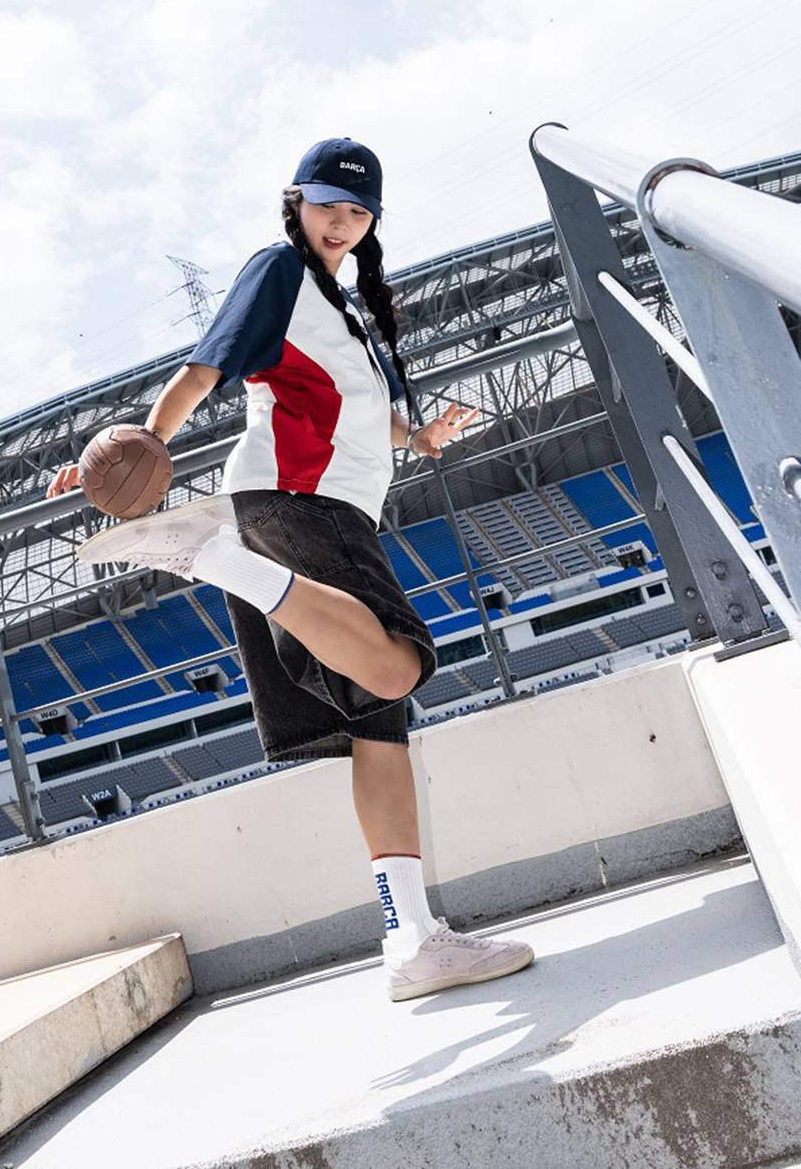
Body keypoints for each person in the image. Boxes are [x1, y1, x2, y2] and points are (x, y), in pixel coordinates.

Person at [48, 137, 534, 1001]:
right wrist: (147, 446)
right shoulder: (278, 271)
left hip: (311, 510)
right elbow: (206, 366)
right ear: (295, 204)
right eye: (325, 206)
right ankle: (208, 556)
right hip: (300, 503)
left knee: (380, 728)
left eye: (356, 211)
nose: (340, 223)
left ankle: (412, 940)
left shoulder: (339, 309)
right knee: (397, 664)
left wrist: (419, 439)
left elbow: (355, 411)